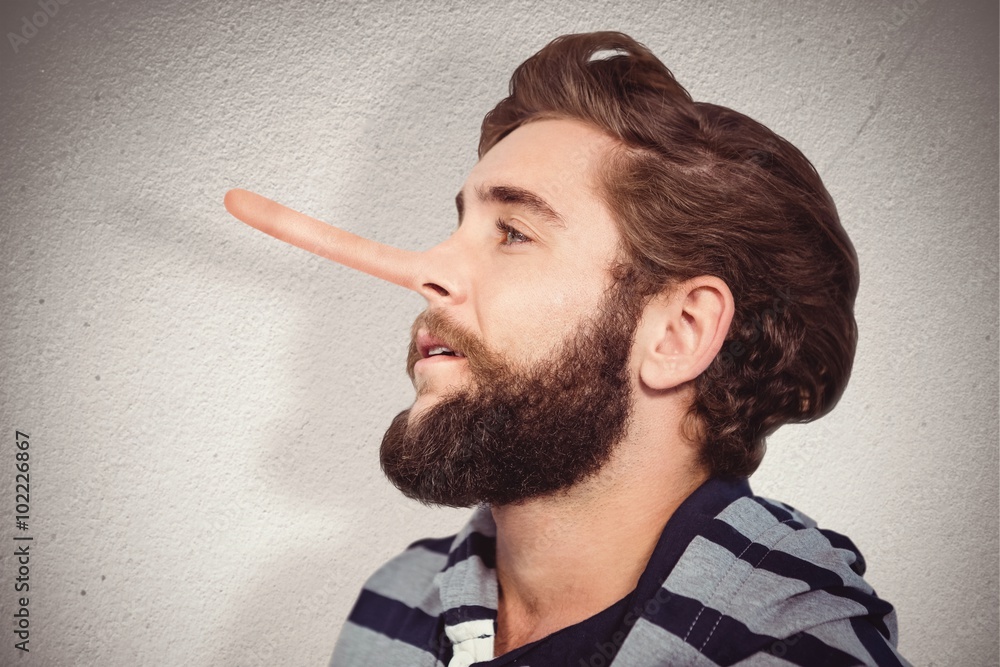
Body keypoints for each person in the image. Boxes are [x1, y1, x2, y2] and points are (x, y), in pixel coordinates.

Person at [227, 29, 908, 667]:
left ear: (680, 331)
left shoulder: (793, 651)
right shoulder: (395, 602)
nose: (428, 271)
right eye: (459, 223)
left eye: (514, 232)